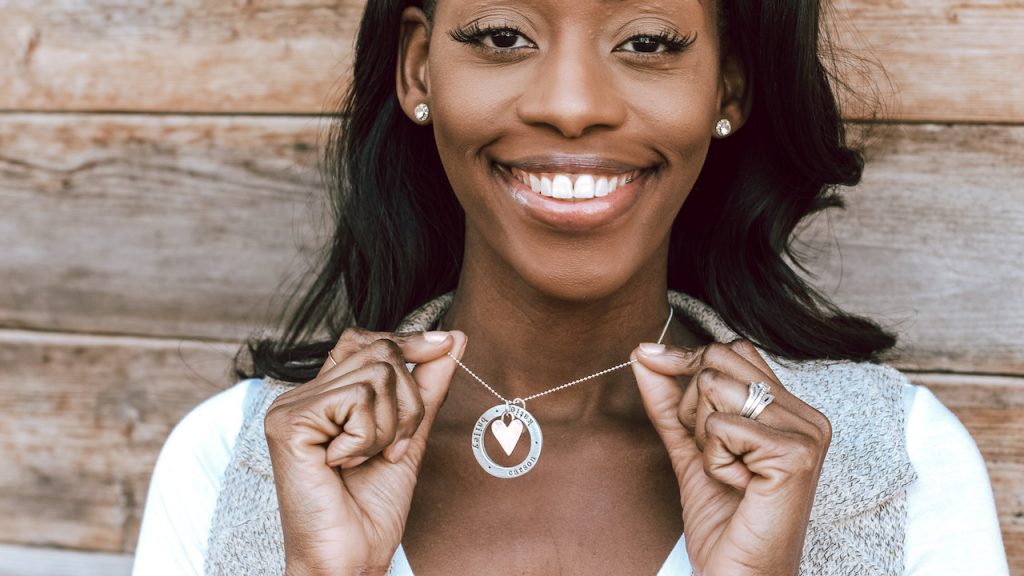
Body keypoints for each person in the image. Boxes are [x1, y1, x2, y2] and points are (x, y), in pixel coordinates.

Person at [132, 0, 1011, 574]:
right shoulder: (231, 461)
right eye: (503, 36)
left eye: (647, 43)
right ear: (417, 70)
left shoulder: (900, 465)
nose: (572, 103)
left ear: (729, 86)